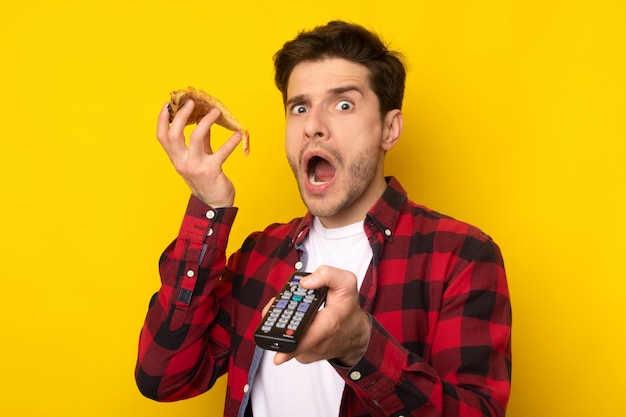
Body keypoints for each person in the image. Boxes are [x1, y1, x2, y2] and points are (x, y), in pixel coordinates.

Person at [135, 20, 512, 417]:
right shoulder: (260, 255)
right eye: (300, 108)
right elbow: (163, 377)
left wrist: (361, 347)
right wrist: (208, 205)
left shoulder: (462, 256)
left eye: (343, 104)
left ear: (389, 128)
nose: (313, 126)